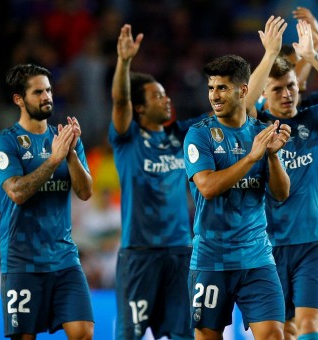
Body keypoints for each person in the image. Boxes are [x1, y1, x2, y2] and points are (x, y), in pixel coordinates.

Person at [246, 11, 318, 338]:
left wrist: (312, 56)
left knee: (310, 327)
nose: (287, 94)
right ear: (265, 93)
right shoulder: (255, 126)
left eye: (292, 86)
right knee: (279, 332)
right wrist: (270, 54)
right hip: (266, 246)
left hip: (312, 242)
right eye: (278, 88)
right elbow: (242, 107)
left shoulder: (314, 121)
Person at [183, 46, 294, 340]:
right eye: (211, 88)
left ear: (243, 90)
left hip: (256, 257)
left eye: (222, 87)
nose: (215, 95)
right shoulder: (199, 134)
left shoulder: (261, 132)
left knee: (273, 335)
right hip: (211, 259)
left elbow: (281, 194)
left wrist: (270, 156)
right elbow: (206, 187)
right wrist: (251, 158)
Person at [108, 23, 202, 340]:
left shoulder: (182, 135)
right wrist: (124, 62)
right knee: (130, 335)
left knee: (183, 335)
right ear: (139, 107)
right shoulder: (128, 139)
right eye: (158, 96)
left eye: (165, 94)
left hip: (181, 251)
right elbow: (119, 103)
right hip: (140, 253)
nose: (167, 100)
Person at [0, 64, 94, 339]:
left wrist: (70, 154)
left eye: (48, 90)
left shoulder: (64, 139)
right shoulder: (5, 142)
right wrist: (53, 160)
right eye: (37, 92)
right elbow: (17, 192)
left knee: (83, 332)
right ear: (19, 99)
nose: (47, 96)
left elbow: (85, 192)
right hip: (22, 261)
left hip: (64, 258)